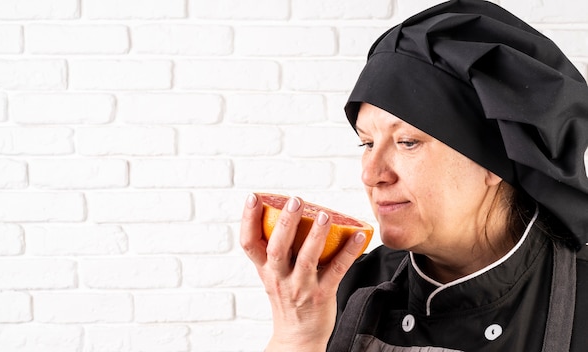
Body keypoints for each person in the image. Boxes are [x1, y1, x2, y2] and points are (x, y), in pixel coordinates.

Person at [240, 0, 588, 350]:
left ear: (492, 162)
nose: (371, 174)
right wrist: (297, 333)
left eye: (407, 142)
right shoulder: (335, 291)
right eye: (367, 143)